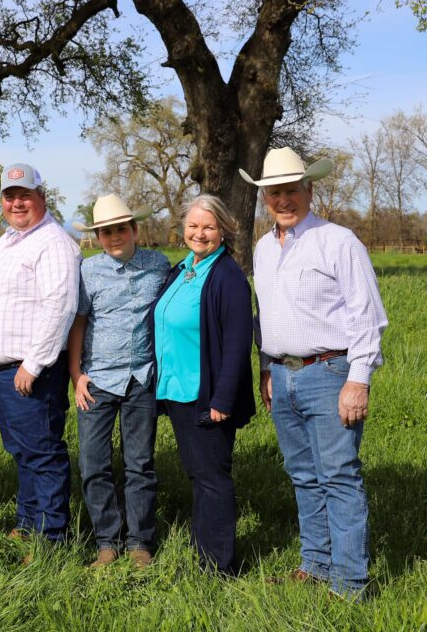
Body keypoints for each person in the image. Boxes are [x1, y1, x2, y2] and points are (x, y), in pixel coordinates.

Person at [242, 147, 388, 601]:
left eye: (291, 190)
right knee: (303, 474)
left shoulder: (338, 241)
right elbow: (265, 315)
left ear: (309, 190)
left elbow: (367, 315)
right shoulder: (263, 248)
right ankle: (316, 564)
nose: (283, 200)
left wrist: (358, 380)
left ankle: (349, 583)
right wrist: (266, 369)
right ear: (265, 198)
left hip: (329, 371)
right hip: (282, 374)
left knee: (339, 475)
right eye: (274, 193)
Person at [0, 162, 81, 547]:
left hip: (32, 370)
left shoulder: (52, 242)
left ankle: (50, 537)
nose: (17, 203)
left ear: (41, 197)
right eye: (10, 196)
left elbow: (60, 306)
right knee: (23, 451)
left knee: (42, 453)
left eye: (25, 195)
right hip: (8, 370)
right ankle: (29, 521)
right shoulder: (9, 240)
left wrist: (33, 364)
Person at [150, 194, 254, 574]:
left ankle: (218, 567)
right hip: (178, 392)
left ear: (223, 230)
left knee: (212, 479)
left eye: (208, 227)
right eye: (193, 225)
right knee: (199, 475)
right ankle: (204, 552)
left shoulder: (227, 277)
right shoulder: (182, 269)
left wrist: (222, 398)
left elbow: (237, 345)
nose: (199, 233)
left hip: (206, 396)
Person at [68, 194, 169, 568]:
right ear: (97, 237)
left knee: (139, 462)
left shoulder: (158, 266)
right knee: (93, 463)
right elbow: (78, 323)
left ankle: (139, 542)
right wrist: (76, 375)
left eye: (120, 229)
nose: (114, 237)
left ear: (134, 229)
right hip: (96, 379)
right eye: (106, 232)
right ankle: (107, 541)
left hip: (141, 377)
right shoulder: (89, 271)